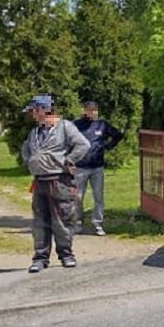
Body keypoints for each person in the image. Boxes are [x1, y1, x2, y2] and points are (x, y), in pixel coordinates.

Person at [21, 95, 91, 273]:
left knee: (62, 219)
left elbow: (83, 145)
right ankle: (40, 258)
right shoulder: (34, 132)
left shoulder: (65, 127)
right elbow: (26, 149)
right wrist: (30, 162)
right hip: (40, 182)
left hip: (59, 181)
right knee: (40, 221)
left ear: (43, 110)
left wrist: (69, 160)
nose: (32, 115)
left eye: (34, 111)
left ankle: (66, 255)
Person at [72, 101, 124, 236]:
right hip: (80, 167)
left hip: (97, 167)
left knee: (98, 196)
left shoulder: (102, 125)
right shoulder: (76, 125)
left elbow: (117, 135)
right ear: (84, 111)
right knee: (78, 197)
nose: (92, 113)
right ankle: (78, 222)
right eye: (90, 110)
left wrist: (106, 147)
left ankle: (98, 223)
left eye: (94, 111)